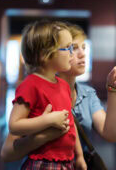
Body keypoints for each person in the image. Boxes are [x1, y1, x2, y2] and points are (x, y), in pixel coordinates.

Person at [1, 23, 116, 167]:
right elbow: (7, 153)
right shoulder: (34, 86)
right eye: (73, 48)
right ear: (48, 54)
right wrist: (45, 135)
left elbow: (111, 134)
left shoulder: (87, 93)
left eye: (84, 47)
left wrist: (113, 88)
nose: (82, 54)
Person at [8, 20, 86, 169]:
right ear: (45, 55)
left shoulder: (62, 85)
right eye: (67, 48)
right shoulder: (30, 85)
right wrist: (48, 120)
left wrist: (79, 155)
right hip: (43, 163)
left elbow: (70, 123)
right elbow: (14, 125)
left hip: (66, 162)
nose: (72, 53)